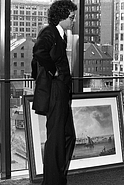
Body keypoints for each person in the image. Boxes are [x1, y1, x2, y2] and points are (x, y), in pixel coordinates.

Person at [31, 1, 77, 184]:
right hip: (56, 90)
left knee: (68, 136)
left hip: (62, 91)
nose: (73, 21)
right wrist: (53, 71)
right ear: (61, 17)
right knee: (56, 138)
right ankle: (52, 182)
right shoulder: (49, 32)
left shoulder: (61, 33)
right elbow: (38, 52)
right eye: (71, 17)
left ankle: (58, 178)